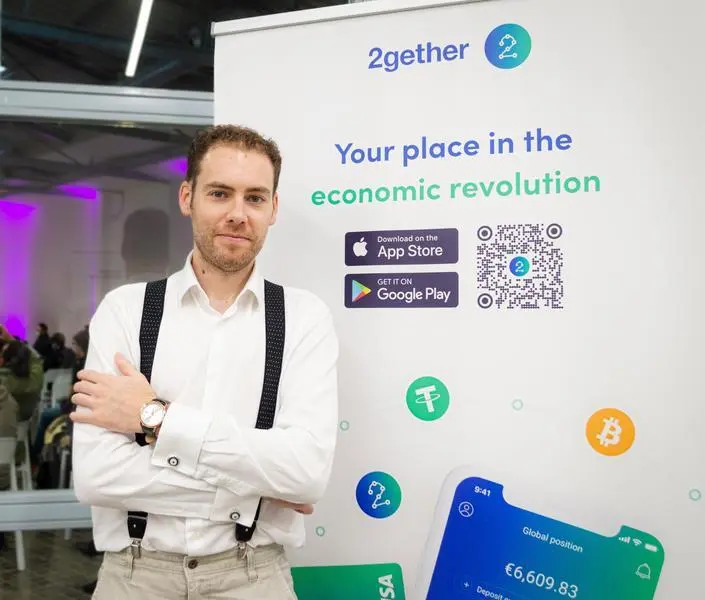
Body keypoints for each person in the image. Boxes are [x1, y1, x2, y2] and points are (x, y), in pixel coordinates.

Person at [71, 125, 339, 599]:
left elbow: (305, 474)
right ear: (187, 197)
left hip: (254, 577)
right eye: (219, 193)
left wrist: (155, 418)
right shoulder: (126, 310)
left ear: (273, 208)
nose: (237, 213)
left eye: (254, 198)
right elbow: (97, 476)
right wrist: (256, 492)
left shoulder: (303, 317)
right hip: (134, 577)